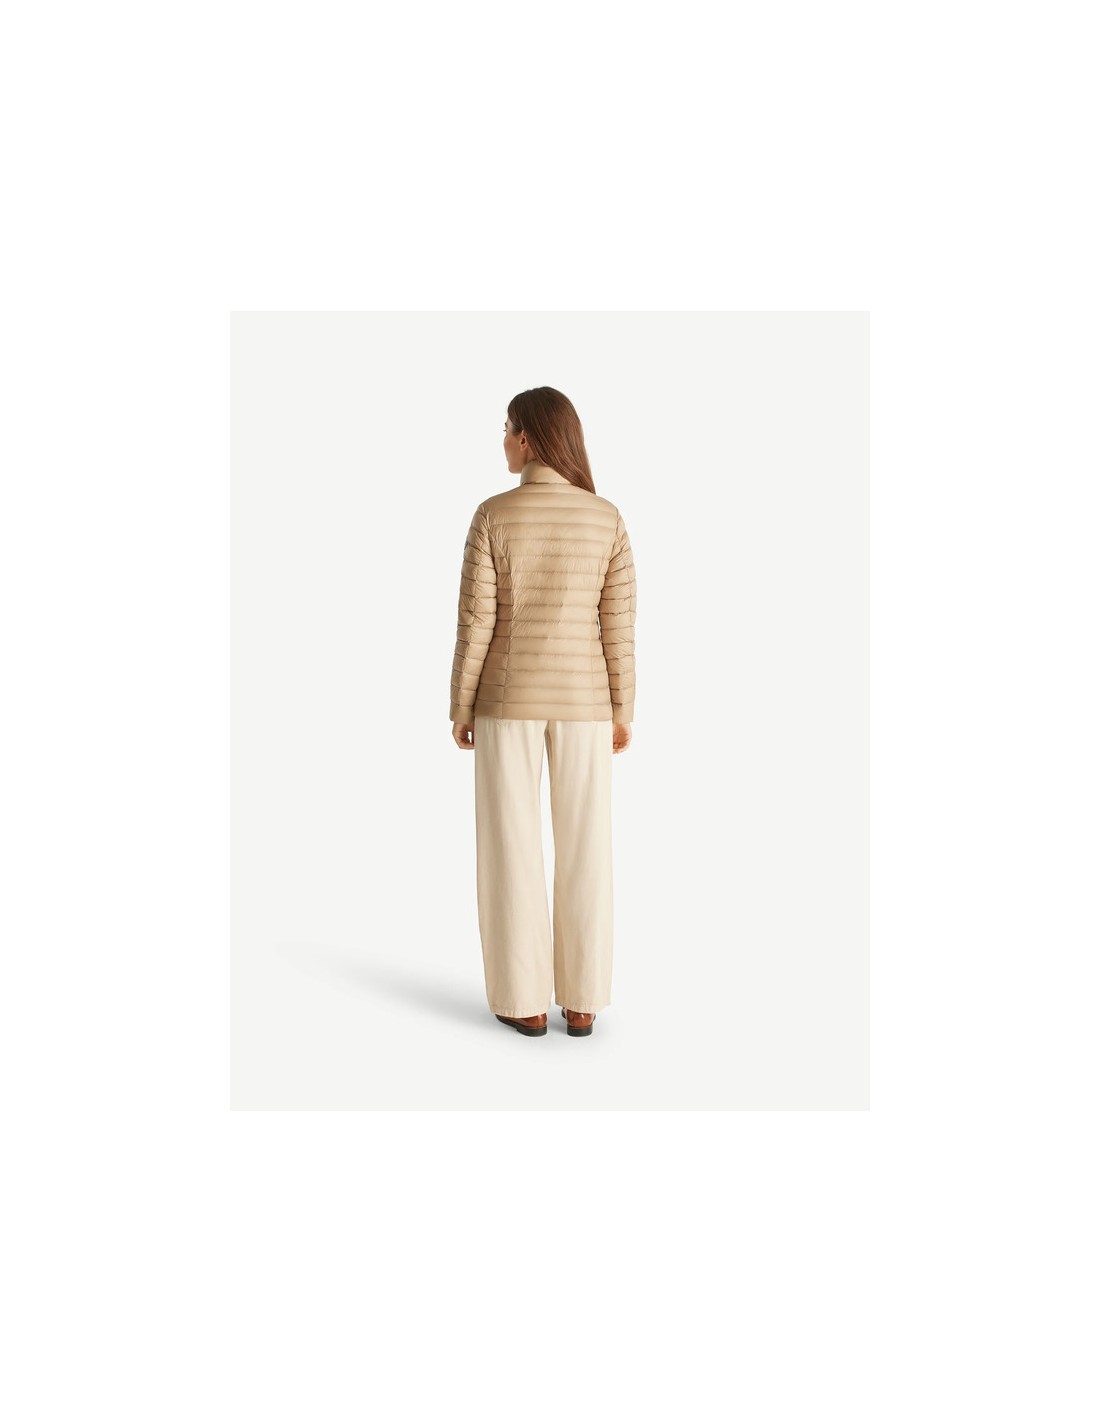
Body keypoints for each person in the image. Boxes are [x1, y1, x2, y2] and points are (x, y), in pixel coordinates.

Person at [450, 387, 637, 1039]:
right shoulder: (606, 518)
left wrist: (462, 704)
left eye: (507, 429)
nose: (503, 441)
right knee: (588, 846)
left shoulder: (493, 515)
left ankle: (522, 999)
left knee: (510, 846)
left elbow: (476, 622)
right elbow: (618, 626)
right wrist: (622, 708)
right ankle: (583, 1000)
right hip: (587, 704)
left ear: (527, 437)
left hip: (507, 700)